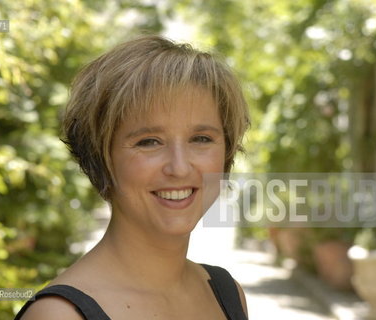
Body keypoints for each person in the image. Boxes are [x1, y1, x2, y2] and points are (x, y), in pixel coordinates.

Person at [15, 35, 250, 320]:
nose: (179, 168)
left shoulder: (226, 294)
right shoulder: (60, 316)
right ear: (101, 157)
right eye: (149, 142)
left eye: (201, 138)